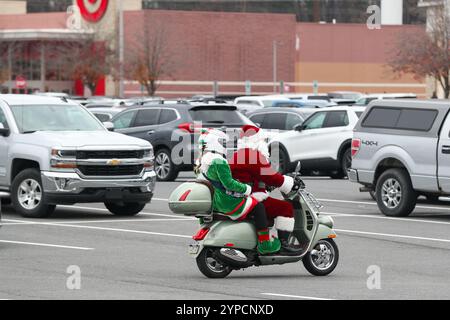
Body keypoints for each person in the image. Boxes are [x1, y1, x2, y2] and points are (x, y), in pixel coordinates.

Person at [196, 128, 281, 255]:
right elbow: (229, 184)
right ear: (216, 143)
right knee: (259, 207)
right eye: (223, 143)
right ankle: (265, 243)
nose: (225, 146)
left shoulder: (201, 161)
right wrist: (247, 188)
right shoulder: (218, 161)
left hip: (215, 201)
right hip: (227, 202)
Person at [229, 125, 308, 247]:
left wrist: (269, 185)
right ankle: (284, 244)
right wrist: (289, 182)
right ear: (256, 140)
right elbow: (269, 176)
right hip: (252, 198)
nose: (264, 143)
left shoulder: (239, 154)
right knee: (285, 207)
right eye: (262, 140)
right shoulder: (252, 155)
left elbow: (255, 176)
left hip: (241, 196)